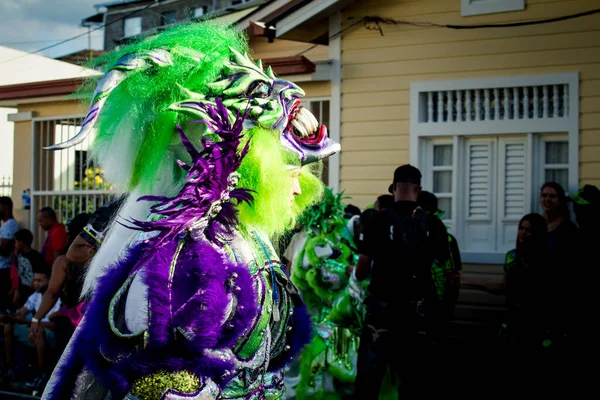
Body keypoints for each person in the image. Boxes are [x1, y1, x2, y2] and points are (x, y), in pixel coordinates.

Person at [40, 21, 340, 400]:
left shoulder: (244, 240)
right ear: (245, 168)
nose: (298, 188)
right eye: (290, 173)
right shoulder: (185, 260)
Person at [352, 165, 449, 399]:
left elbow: (363, 267)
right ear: (418, 189)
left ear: (394, 187)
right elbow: (443, 268)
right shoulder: (434, 224)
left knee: (369, 381)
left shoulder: (377, 220)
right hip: (418, 314)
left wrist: (357, 276)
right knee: (414, 380)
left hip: (382, 315)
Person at [1, 267, 62, 388]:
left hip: (52, 334)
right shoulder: (35, 295)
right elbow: (20, 313)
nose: (36, 283)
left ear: (49, 280)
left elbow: (55, 326)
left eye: (40, 280)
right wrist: (8, 317)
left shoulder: (57, 298)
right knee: (8, 326)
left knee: (38, 331)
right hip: (34, 328)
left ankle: (42, 374)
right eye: (34, 280)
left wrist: (30, 322)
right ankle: (10, 367)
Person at [13, 228, 47, 307]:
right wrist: (17, 290)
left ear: (22, 242)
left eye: (16, 241)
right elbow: (19, 273)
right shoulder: (19, 255)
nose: (15, 244)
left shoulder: (36, 256)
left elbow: (40, 272)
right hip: (22, 289)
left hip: (33, 290)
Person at [0, 196, 19, 312]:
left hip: (4, 270)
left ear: (5, 207)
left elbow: (5, 250)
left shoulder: (10, 224)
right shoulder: (4, 224)